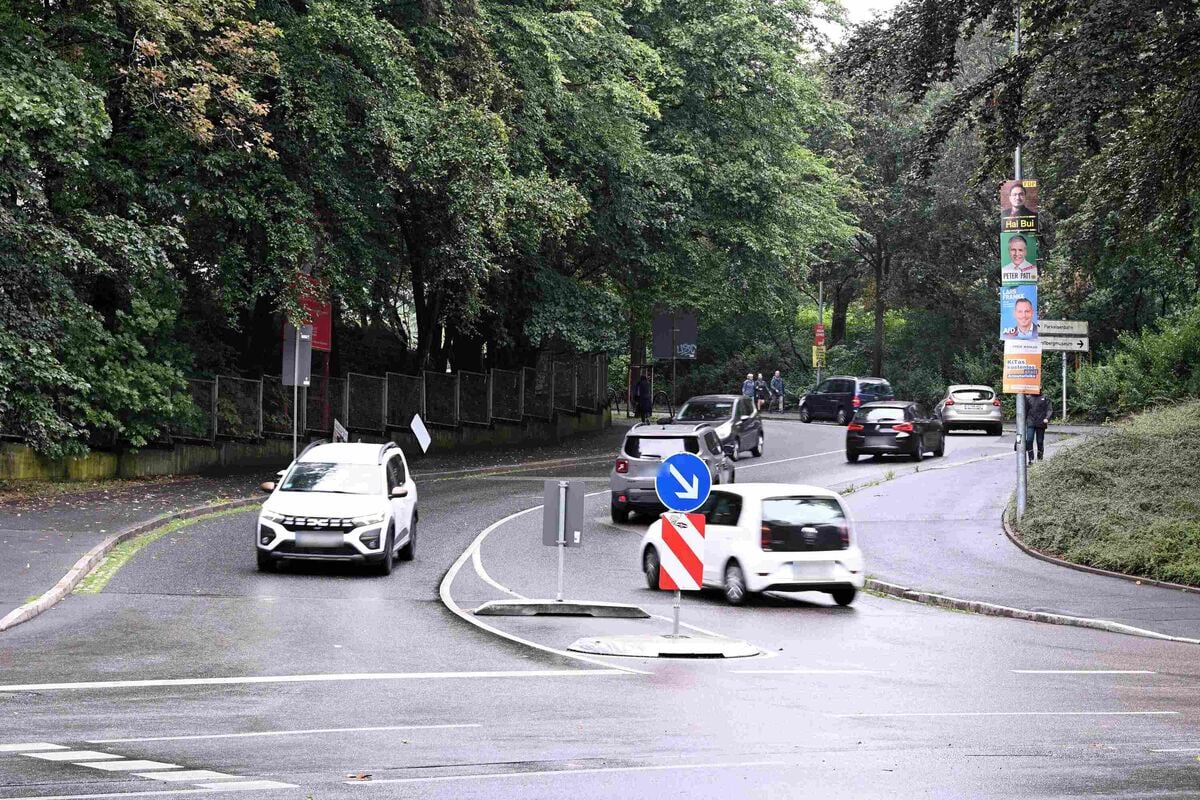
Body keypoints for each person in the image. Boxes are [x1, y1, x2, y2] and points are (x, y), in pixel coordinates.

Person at [1025, 391, 1052, 463]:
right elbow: (1025, 410)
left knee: (1040, 441)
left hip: (1041, 422)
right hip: (1031, 422)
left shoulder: (1045, 397)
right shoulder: (1028, 398)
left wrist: (1047, 418)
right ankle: (1031, 459)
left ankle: (1040, 459)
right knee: (1029, 440)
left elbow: (1049, 409)